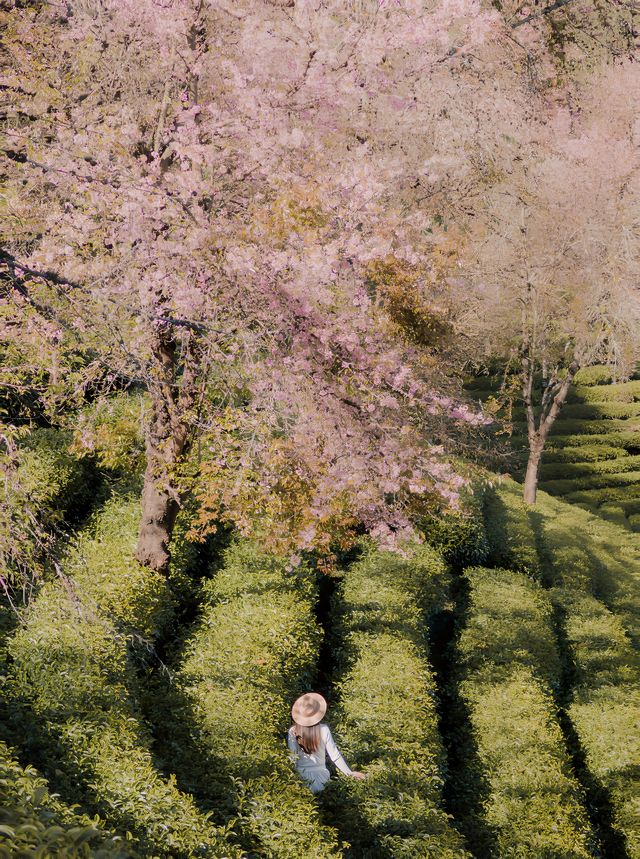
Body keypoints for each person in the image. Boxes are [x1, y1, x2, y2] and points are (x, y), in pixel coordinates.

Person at [287, 692, 365, 794]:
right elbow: (335, 755)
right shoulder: (323, 729)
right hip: (321, 777)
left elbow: (293, 758)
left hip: (301, 778)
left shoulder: (293, 731)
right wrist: (349, 773)